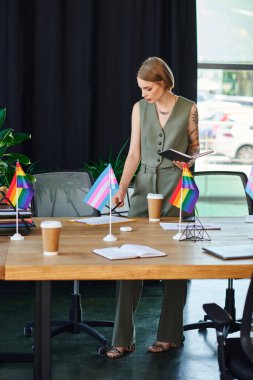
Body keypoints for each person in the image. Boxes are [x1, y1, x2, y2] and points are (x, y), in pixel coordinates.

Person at [107, 57, 200, 359]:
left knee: (176, 265)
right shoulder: (139, 108)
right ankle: (122, 339)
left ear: (163, 83)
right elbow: (134, 154)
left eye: (148, 88)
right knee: (129, 261)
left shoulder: (189, 108)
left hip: (177, 188)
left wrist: (188, 160)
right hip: (144, 187)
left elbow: (196, 149)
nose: (144, 93)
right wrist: (122, 188)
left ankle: (170, 336)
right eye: (141, 88)